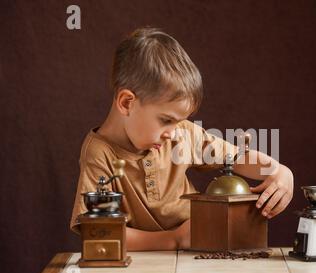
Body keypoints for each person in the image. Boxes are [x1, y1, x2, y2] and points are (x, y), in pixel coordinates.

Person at [70, 27, 294, 251]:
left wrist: (280, 172)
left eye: (179, 122)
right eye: (166, 120)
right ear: (127, 103)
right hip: (148, 264)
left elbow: (238, 158)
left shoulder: (182, 134)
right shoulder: (99, 154)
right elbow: (96, 233)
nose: (174, 132)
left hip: (199, 254)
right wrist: (174, 239)